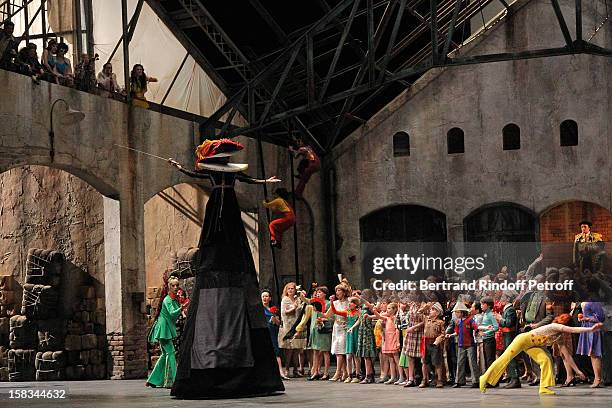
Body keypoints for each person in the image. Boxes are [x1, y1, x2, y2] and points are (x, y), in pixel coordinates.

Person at [167, 138, 284, 399]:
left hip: (229, 206)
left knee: (228, 227)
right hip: (218, 205)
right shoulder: (211, 171)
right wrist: (178, 167)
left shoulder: (232, 174)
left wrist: (266, 183)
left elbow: (248, 179)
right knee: (217, 228)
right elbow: (195, 173)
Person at [480, 314, 604, 395]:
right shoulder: (555, 326)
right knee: (504, 359)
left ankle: (544, 388)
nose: (568, 330)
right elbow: (573, 330)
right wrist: (590, 329)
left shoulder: (559, 336)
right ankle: (484, 378)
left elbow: (567, 355)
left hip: (533, 345)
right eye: (568, 326)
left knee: (545, 360)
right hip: (522, 340)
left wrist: (577, 371)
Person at [146, 276, 188, 388]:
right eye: (173, 285)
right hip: (163, 329)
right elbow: (172, 313)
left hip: (166, 328)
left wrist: (181, 305)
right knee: (171, 353)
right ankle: (174, 380)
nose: (175, 287)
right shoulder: (167, 300)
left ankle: (153, 380)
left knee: (165, 354)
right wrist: (182, 307)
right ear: (168, 287)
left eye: (177, 285)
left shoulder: (173, 299)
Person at [294, 286, 332, 380]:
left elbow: (331, 317)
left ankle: (326, 373)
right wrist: (301, 294)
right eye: (317, 292)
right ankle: (315, 371)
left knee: (325, 352)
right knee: (315, 351)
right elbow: (306, 300)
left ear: (325, 294)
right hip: (314, 329)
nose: (318, 293)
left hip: (323, 330)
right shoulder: (315, 302)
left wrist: (321, 318)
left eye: (320, 292)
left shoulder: (328, 304)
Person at [445, 301, 480, 388]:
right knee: (460, 362)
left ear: (461, 312)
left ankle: (476, 380)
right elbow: (456, 332)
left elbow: (476, 327)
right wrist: (450, 335)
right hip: (461, 344)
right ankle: (459, 380)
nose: (456, 314)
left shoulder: (470, 320)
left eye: (457, 312)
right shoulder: (458, 322)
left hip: (470, 344)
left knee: (472, 362)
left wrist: (478, 332)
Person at [278, 282, 307, 378]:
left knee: (296, 349)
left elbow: (301, 310)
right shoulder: (285, 300)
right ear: (286, 290)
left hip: (296, 325)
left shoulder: (297, 299)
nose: (290, 290)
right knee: (289, 349)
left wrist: (301, 300)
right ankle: (286, 369)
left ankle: (295, 369)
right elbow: (284, 312)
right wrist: (294, 307)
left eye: (292, 288)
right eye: (289, 288)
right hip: (288, 326)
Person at [330, 296, 362, 383]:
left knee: (356, 356)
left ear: (355, 304)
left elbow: (359, 321)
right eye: (349, 302)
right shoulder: (347, 312)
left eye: (351, 302)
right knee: (348, 356)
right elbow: (335, 311)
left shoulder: (358, 312)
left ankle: (357, 375)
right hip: (349, 334)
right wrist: (331, 302)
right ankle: (349, 375)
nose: (349, 304)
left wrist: (352, 327)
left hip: (355, 333)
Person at [324, 283, 350, 381]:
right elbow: (327, 316)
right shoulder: (334, 303)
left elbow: (350, 314)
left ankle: (338, 372)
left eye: (339, 290)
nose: (337, 292)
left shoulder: (348, 302)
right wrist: (317, 311)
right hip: (337, 328)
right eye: (336, 291)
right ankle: (344, 372)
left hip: (345, 327)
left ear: (344, 292)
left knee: (340, 351)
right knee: (338, 351)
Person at [577, 301, 605, 388]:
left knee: (595, 354)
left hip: (594, 328)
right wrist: (582, 318)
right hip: (587, 327)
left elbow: (601, 318)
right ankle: (597, 378)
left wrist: (587, 319)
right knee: (592, 354)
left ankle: (598, 379)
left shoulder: (594, 300)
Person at [261, 290, 286, 380]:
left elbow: (279, 323)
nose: (265, 298)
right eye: (263, 296)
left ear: (270, 298)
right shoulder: (259, 309)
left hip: (273, 331)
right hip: (264, 331)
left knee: (276, 351)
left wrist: (274, 319)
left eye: (266, 296)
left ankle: (281, 372)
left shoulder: (273, 309)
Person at [420, 302, 446, 388]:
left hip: (435, 343)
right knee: (424, 361)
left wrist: (438, 340)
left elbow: (443, 334)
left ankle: (439, 380)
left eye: (433, 310)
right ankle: (424, 379)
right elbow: (419, 313)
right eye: (431, 310)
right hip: (426, 342)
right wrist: (426, 307)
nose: (430, 311)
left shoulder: (440, 322)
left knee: (437, 362)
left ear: (437, 313)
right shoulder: (426, 319)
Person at [479, 297, 499, 372]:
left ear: (489, 305)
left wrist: (485, 333)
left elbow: (496, 327)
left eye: (483, 304)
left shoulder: (490, 314)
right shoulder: (485, 314)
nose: (481, 305)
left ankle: (492, 380)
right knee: (487, 360)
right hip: (485, 340)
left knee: (490, 360)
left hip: (490, 340)